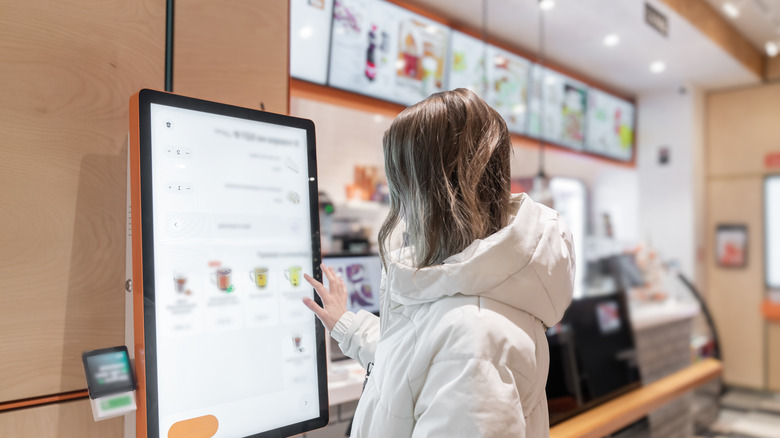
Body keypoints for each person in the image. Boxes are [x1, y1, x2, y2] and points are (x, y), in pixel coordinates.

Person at [303, 88, 575, 437]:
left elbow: (447, 355)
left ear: (431, 191)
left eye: (401, 182)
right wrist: (348, 326)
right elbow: (415, 366)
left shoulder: (473, 337)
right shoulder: (467, 289)